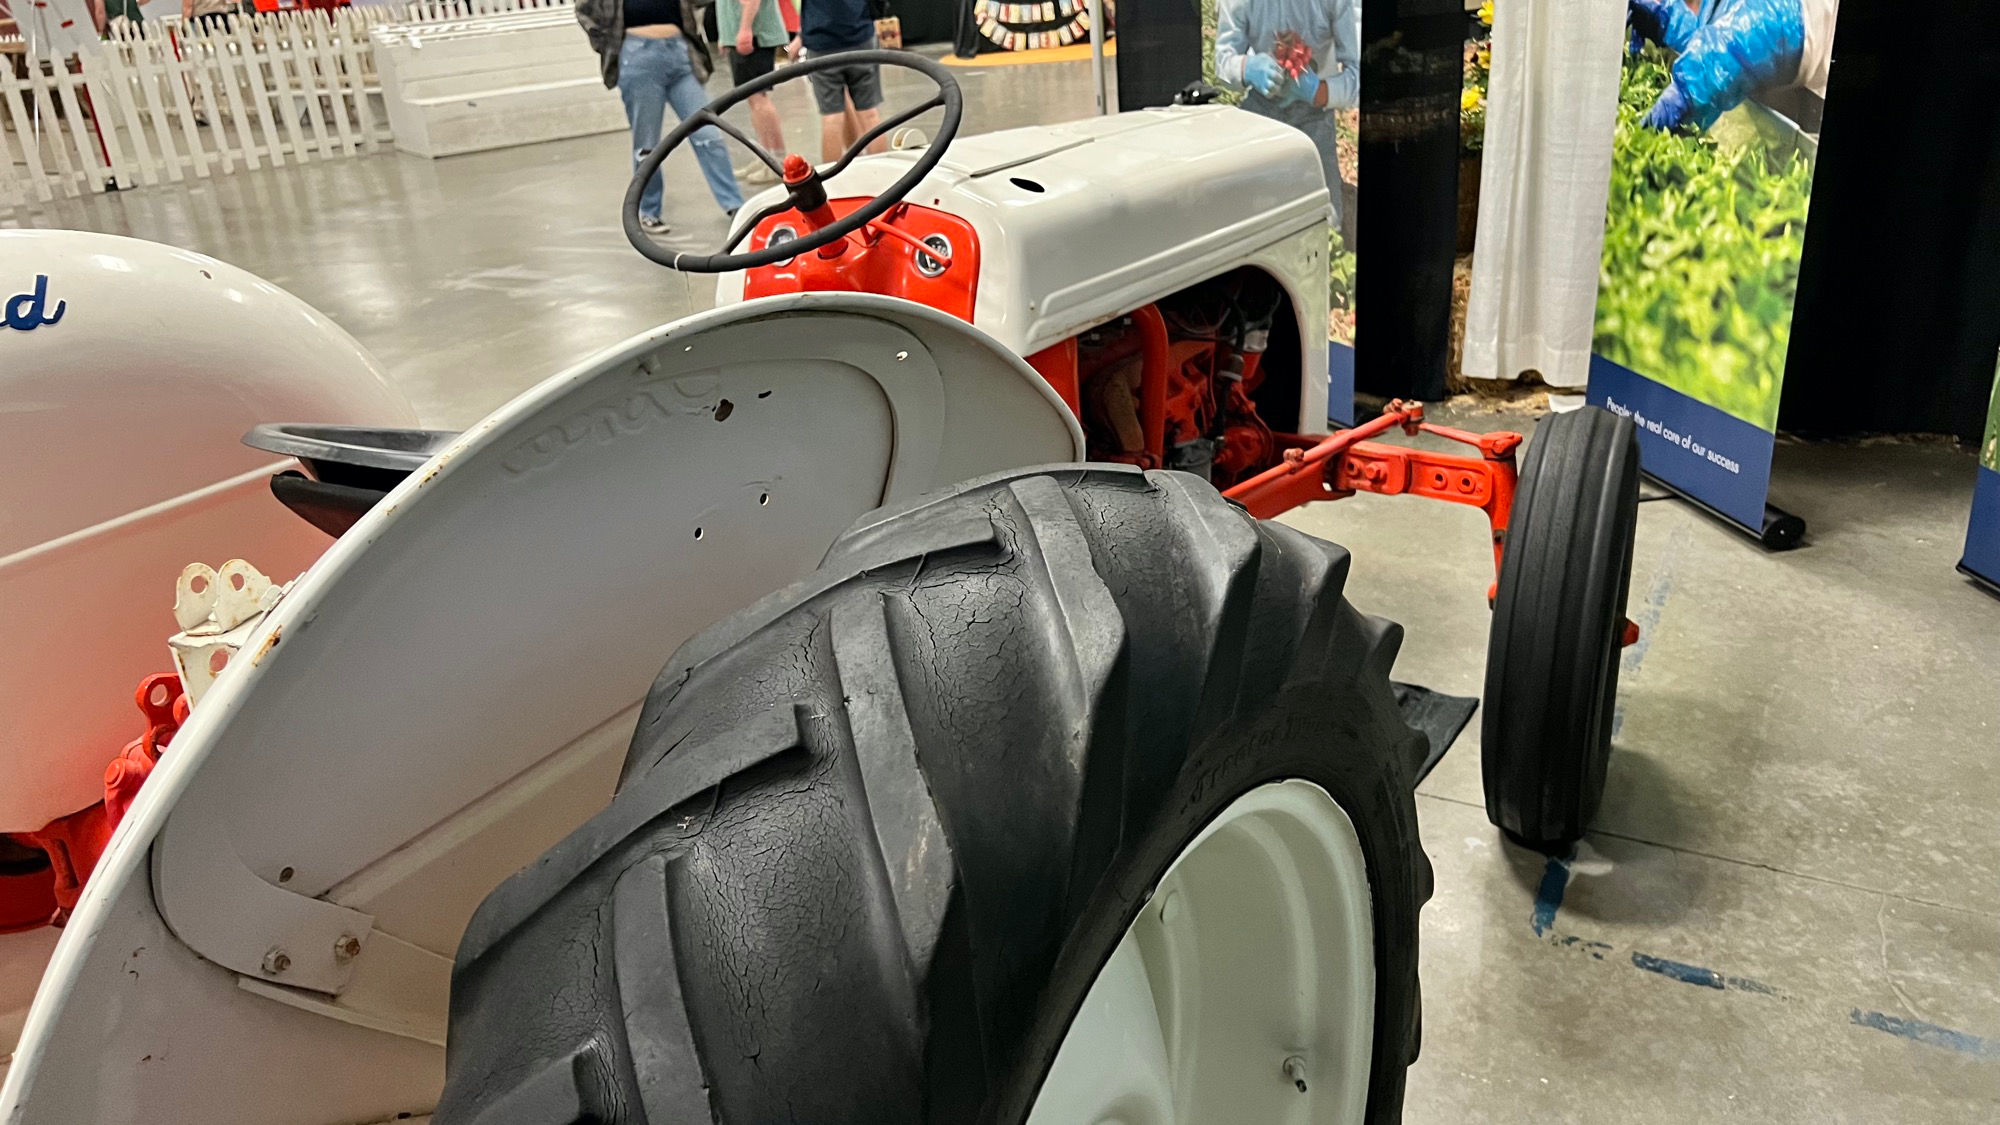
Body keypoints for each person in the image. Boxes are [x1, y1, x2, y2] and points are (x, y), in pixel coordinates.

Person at [577, 0, 746, 235]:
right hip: (637, 54)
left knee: (709, 133)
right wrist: (606, 42)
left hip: (680, 52)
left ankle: (734, 205)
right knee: (647, 145)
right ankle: (648, 210)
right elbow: (584, 10)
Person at [1213, 0, 1359, 232]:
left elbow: (1359, 76)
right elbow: (1222, 62)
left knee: (1324, 222)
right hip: (1260, 112)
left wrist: (1317, 91)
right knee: (1249, 219)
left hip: (1315, 117)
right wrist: (1246, 68)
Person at [1627, 0, 1839, 132]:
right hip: (1743, 119)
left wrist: (1704, 72)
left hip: (1796, 123)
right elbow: (1725, 28)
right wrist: (1673, 24)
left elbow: (1780, 21)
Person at [718, 0, 795, 184]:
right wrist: (726, 34)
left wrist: (745, 30)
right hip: (740, 33)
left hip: (755, 36)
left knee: (759, 98)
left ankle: (776, 160)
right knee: (753, 100)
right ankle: (765, 156)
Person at [798, 0, 884, 163]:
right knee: (870, 114)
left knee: (832, 117)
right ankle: (879, 176)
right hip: (860, 34)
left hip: (821, 40)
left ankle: (832, 181)